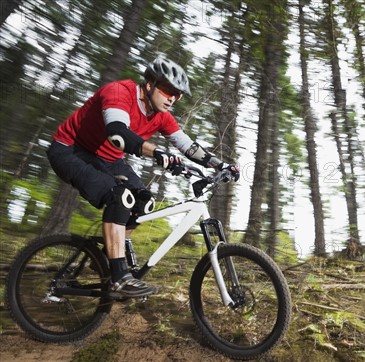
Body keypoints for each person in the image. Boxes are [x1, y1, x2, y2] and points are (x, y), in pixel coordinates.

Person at [47, 56, 239, 299]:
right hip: (69, 150)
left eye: (178, 95)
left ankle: (108, 257)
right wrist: (157, 152)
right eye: (168, 90)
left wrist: (221, 164)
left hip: (107, 159)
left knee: (144, 202)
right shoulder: (119, 92)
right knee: (120, 197)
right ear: (149, 84)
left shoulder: (161, 115)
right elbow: (118, 134)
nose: (172, 98)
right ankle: (119, 277)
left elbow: (188, 146)